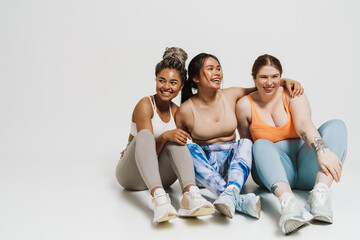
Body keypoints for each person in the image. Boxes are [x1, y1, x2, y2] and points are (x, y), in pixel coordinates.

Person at [175, 53, 303, 219]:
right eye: (210, 69)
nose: (217, 73)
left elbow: (261, 87)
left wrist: (284, 81)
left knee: (246, 143)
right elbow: (180, 151)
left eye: (219, 68)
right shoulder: (184, 110)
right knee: (185, 147)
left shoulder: (231, 94)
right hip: (204, 173)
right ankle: (235, 198)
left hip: (233, 171)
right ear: (195, 78)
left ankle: (231, 192)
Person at [236, 54, 347, 234]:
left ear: (281, 77)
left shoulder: (292, 93)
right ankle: (288, 203)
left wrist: (322, 150)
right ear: (254, 78)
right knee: (259, 144)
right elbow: (245, 145)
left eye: (275, 76)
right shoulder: (244, 106)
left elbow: (304, 123)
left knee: (337, 126)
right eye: (263, 77)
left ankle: (320, 194)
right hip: (273, 173)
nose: (269, 82)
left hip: (305, 168)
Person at [116, 47, 214, 224]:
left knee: (179, 140)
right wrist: (164, 136)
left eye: (173, 83)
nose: (167, 87)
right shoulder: (145, 105)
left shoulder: (177, 112)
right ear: (155, 81)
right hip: (131, 175)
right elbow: (148, 150)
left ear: (181, 86)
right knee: (145, 135)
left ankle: (190, 195)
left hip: (162, 177)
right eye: (162, 81)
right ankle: (159, 200)